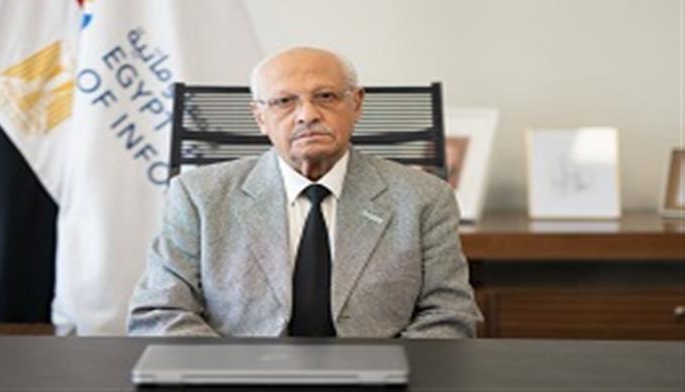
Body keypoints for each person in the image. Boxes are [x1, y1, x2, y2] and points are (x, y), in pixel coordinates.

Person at [127, 47, 482, 338]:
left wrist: (389, 375)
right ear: (259, 117)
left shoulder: (424, 198)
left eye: (325, 97)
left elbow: (449, 314)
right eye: (284, 101)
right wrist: (233, 377)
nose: (307, 115)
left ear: (357, 104)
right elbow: (159, 310)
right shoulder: (198, 196)